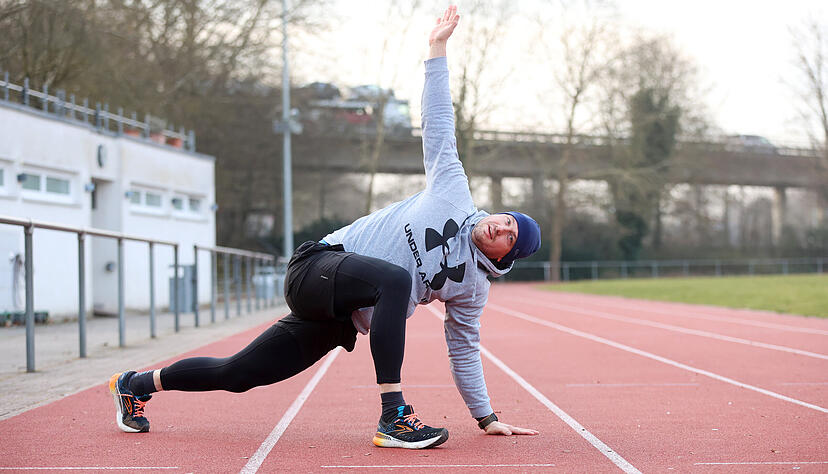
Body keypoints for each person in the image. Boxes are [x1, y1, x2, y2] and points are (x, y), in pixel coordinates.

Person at [109, 5, 541, 449]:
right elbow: (438, 124)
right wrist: (436, 49)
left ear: (503, 258)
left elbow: (464, 351)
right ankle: (394, 416)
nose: (499, 229)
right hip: (318, 267)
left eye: (509, 238)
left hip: (340, 317)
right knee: (397, 279)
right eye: (505, 220)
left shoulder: (472, 290)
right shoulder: (453, 191)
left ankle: (135, 385)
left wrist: (486, 417)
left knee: (239, 373)